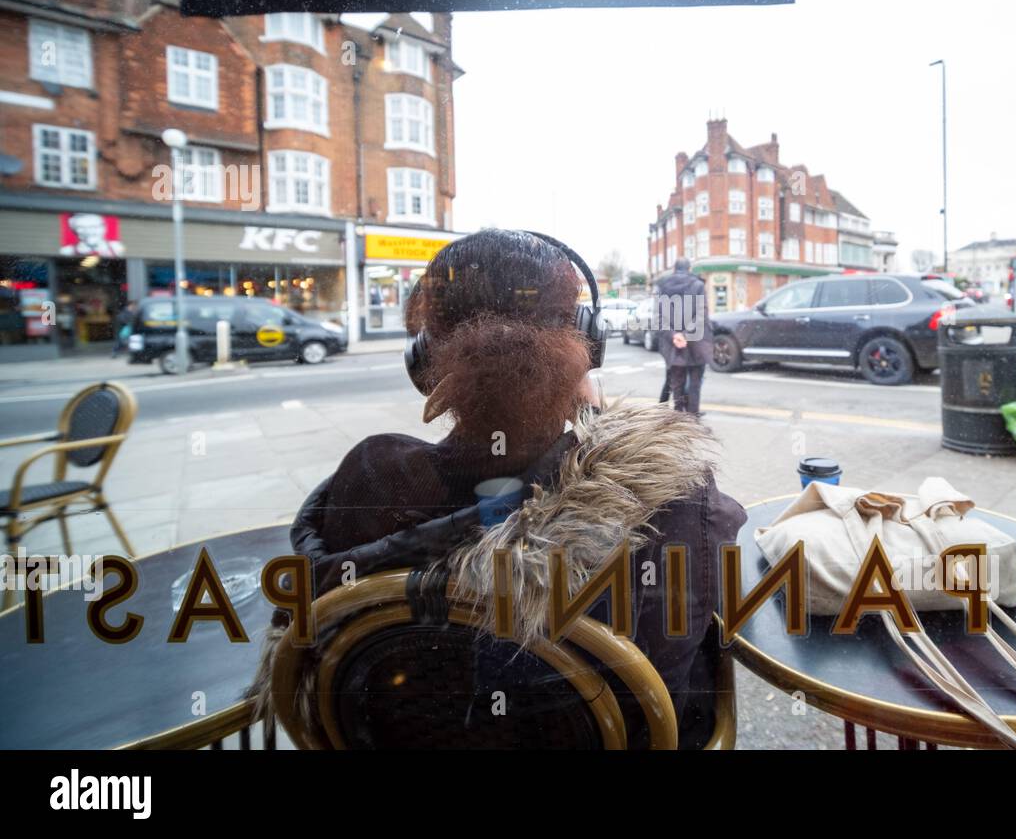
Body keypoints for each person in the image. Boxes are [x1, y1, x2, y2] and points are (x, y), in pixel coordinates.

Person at [249, 229, 746, 748]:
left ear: (422, 361)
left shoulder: (368, 477)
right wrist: (587, 422)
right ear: (587, 341)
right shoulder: (672, 499)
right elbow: (665, 690)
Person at [656, 257, 712, 416]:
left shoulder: (663, 286)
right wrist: (687, 335)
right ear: (689, 269)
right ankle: (693, 418)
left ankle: (678, 417)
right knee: (695, 384)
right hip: (696, 342)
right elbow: (702, 315)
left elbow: (660, 318)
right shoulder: (698, 285)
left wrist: (675, 336)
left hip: (673, 344)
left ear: (674, 269)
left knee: (677, 384)